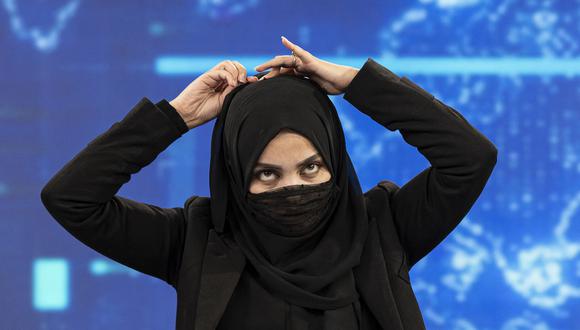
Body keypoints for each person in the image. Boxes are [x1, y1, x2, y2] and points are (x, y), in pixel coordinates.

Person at [40, 36, 498, 330]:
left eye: (311, 168)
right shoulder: (196, 240)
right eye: (266, 174)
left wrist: (357, 83)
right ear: (237, 177)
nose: (293, 188)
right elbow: (71, 198)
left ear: (335, 163)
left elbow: (470, 157)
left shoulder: (384, 227)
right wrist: (176, 117)